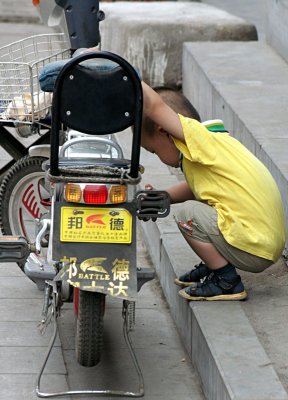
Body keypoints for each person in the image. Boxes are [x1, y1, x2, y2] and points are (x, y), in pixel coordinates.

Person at [140, 81, 287, 301]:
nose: (158, 157)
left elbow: (154, 106)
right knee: (200, 205)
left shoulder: (197, 139)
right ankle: (215, 264)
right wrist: (165, 196)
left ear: (165, 130)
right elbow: (196, 188)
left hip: (255, 246)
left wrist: (118, 69)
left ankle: (226, 281)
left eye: (153, 150)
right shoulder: (213, 142)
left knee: (187, 215)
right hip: (262, 240)